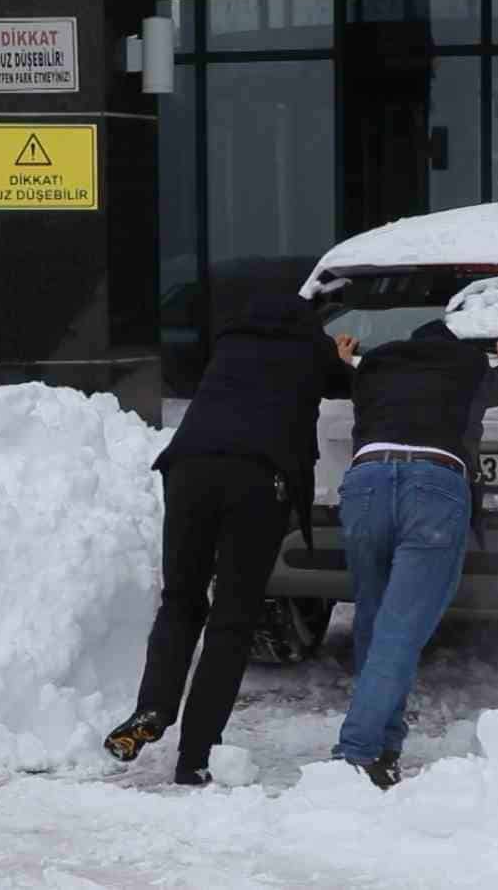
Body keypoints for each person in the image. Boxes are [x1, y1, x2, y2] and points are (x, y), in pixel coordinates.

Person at [104, 291, 356, 785]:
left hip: (187, 469)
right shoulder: (312, 347)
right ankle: (195, 753)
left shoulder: (230, 343)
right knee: (233, 619)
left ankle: (152, 709)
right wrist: (339, 357)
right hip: (256, 481)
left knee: (180, 601)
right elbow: (344, 383)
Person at [333, 319, 498, 789]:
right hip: (432, 487)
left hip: (366, 482)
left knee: (376, 620)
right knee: (401, 629)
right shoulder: (465, 363)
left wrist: (345, 360)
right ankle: (354, 754)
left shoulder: (376, 368)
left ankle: (384, 750)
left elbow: (345, 379)